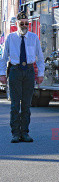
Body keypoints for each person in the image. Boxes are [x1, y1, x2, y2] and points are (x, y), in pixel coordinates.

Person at [0, 11, 45, 143]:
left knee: (26, 104)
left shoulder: (33, 37)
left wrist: (40, 74)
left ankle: (24, 132)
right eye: (22, 23)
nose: (24, 25)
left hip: (29, 72)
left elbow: (40, 58)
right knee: (15, 104)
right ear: (17, 24)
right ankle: (15, 133)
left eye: (26, 23)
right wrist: (2, 73)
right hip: (15, 71)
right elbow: (3, 58)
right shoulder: (10, 38)